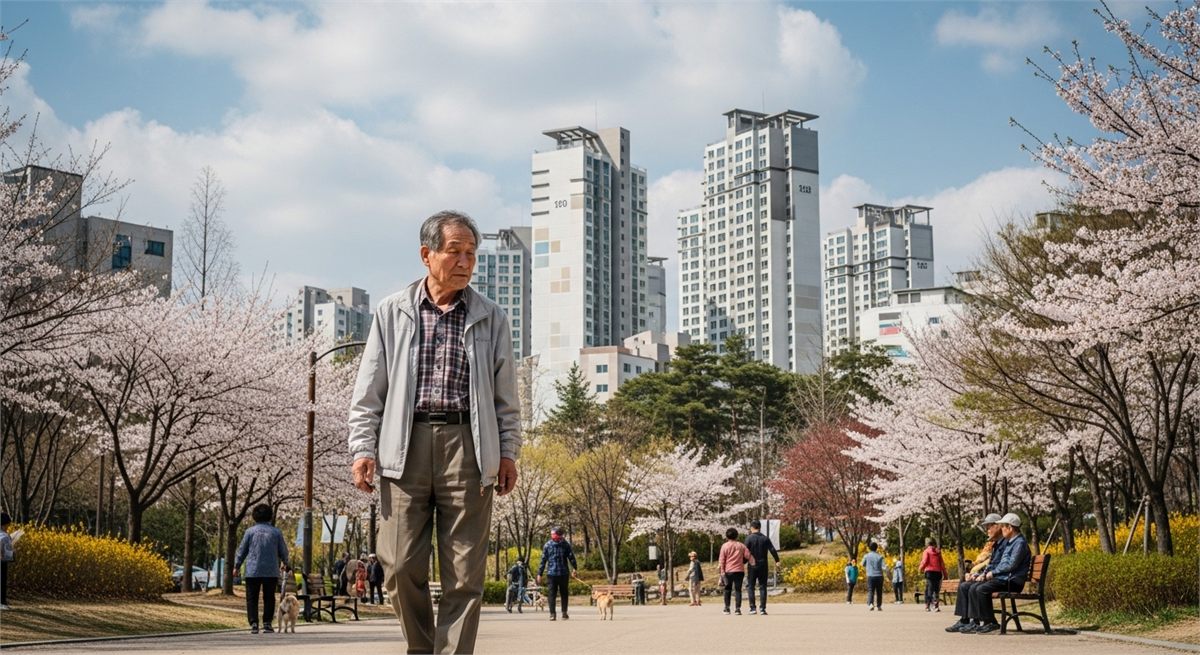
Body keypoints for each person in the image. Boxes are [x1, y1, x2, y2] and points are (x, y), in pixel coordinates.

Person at [348, 210, 521, 655]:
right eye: (454, 251)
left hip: (469, 447)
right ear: (427, 255)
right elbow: (370, 389)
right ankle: (421, 649)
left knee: (465, 573)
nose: (465, 262)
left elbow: (506, 396)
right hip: (404, 447)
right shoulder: (392, 312)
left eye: (471, 253)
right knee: (399, 564)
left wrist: (507, 452)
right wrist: (363, 447)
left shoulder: (491, 316)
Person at [962, 513, 1031, 634]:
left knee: (981, 589)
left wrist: (992, 574)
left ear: (1010, 527)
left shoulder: (1019, 543)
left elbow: (1011, 564)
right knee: (974, 587)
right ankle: (979, 622)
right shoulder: (1011, 542)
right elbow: (1001, 564)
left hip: (1012, 581)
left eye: (1003, 526)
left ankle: (991, 622)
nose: (1001, 529)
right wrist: (983, 574)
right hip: (1006, 579)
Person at [233, 504, 289, 634]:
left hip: (253, 570)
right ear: (270, 516)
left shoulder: (249, 532)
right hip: (271, 570)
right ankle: (267, 623)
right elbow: (283, 551)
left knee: (252, 598)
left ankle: (253, 623)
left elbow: (242, 550)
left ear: (255, 516)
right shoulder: (276, 532)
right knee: (269, 597)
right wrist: (285, 563)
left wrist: (237, 566)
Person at [946, 513, 1004, 633]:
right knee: (964, 585)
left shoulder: (1005, 544)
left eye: (989, 527)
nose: (987, 531)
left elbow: (1000, 565)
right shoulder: (996, 544)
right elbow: (991, 564)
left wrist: (984, 575)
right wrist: (978, 574)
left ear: (998, 526)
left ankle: (981, 621)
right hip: (994, 576)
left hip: (1002, 579)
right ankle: (965, 619)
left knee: (975, 587)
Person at [536, 526, 578, 621]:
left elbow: (571, 557)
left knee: (564, 593)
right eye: (552, 534)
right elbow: (543, 560)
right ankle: (552, 614)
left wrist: (574, 568)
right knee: (552, 594)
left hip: (563, 573)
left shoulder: (565, 545)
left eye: (554, 534)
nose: (552, 536)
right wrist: (539, 573)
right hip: (551, 574)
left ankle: (564, 612)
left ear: (559, 535)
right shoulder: (547, 545)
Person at [744, 519, 780, 615]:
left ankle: (753, 608)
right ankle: (762, 609)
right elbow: (772, 549)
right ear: (760, 527)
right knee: (763, 586)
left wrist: (743, 562)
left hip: (752, 565)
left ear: (752, 527)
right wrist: (777, 560)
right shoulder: (765, 538)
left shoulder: (748, 539)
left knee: (751, 586)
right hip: (763, 565)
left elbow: (745, 553)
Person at [717, 527, 755, 615]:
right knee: (738, 590)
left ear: (726, 536)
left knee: (727, 589)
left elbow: (722, 560)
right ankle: (738, 609)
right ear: (737, 536)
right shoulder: (741, 545)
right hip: (739, 571)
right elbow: (748, 555)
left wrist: (722, 572)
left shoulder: (724, 546)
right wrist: (753, 564)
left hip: (728, 571)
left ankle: (727, 608)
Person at [919, 537, 947, 612]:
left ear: (927, 544)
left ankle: (927, 606)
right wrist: (945, 573)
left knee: (929, 589)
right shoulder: (938, 552)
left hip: (929, 572)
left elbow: (924, 561)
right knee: (936, 589)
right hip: (938, 573)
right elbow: (942, 564)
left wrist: (920, 568)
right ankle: (936, 606)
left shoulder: (926, 551)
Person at [861, 541, 885, 611]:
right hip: (879, 576)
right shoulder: (880, 556)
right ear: (876, 548)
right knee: (879, 591)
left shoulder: (866, 556)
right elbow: (884, 567)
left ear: (869, 548)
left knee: (871, 590)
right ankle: (879, 606)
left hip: (870, 575)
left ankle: (871, 604)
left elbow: (862, 564)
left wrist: (867, 565)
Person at [0, 513, 14, 610]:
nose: (8, 527)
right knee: (2, 580)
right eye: (7, 525)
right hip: (2, 561)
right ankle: (1, 602)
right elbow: (8, 554)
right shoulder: (4, 536)